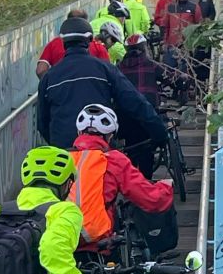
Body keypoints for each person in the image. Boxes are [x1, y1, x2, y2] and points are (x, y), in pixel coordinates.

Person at [36, 16, 167, 150]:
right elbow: (135, 102)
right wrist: (159, 132)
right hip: (98, 149)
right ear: (89, 40)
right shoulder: (105, 69)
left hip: (64, 151)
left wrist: (59, 143)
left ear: (63, 41)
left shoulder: (49, 78)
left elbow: (42, 123)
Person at [70, 104, 174, 253]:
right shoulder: (113, 160)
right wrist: (166, 188)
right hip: (97, 239)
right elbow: (150, 198)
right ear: (110, 136)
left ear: (79, 132)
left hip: (62, 237)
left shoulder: (62, 158)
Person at [36, 9, 110, 77]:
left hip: (60, 89)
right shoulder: (97, 46)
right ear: (86, 24)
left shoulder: (54, 44)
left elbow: (40, 70)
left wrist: (49, 85)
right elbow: (107, 72)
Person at [162, 0, 202, 104]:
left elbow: (198, 26)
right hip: (172, 44)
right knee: (169, 70)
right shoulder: (170, 7)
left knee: (185, 71)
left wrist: (194, 43)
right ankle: (175, 90)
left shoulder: (194, 7)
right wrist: (163, 42)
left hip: (186, 45)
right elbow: (165, 25)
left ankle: (183, 94)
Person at [118, 33, 165, 110]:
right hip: (149, 110)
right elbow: (171, 78)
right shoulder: (152, 65)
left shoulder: (118, 68)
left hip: (125, 109)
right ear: (144, 47)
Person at [188, 0, 216, 97]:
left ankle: (202, 91)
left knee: (202, 64)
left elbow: (212, 13)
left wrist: (208, 21)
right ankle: (191, 88)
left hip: (203, 36)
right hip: (190, 36)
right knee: (190, 63)